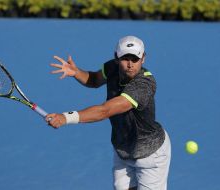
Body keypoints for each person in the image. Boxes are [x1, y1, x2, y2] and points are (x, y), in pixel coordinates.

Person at [46, 35, 171, 190]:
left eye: (135, 59)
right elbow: (94, 80)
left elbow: (105, 110)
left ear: (143, 58)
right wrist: (76, 72)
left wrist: (66, 117)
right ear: (116, 58)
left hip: (151, 156)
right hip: (123, 150)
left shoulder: (144, 84)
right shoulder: (112, 67)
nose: (130, 64)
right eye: (125, 58)